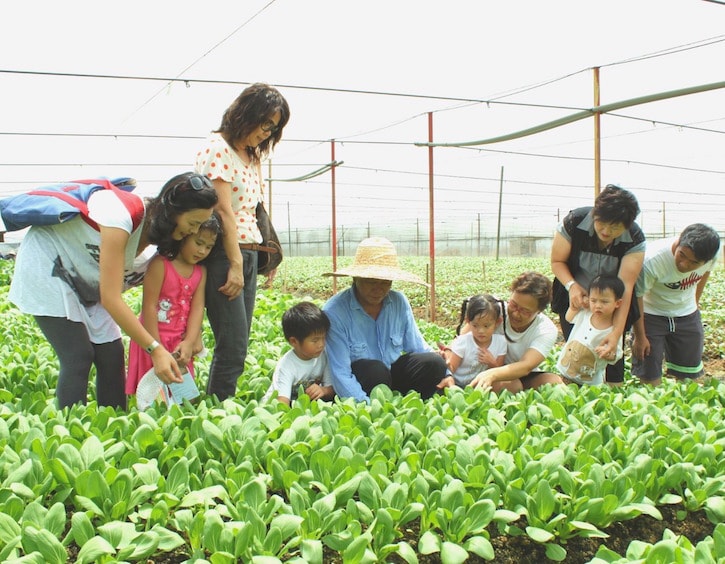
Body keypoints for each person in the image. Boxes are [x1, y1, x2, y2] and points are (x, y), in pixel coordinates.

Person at [8, 172, 218, 409]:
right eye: (193, 223)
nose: (194, 231)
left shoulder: (157, 244)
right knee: (78, 356)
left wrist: (194, 334)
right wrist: (155, 349)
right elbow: (111, 298)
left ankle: (112, 423)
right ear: (173, 211)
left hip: (88, 281)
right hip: (50, 265)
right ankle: (70, 433)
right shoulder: (122, 215)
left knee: (111, 356)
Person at [194, 83, 290, 401]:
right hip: (225, 254)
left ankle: (220, 405)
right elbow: (223, 210)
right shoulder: (217, 148)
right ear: (247, 113)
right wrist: (234, 263)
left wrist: (270, 255)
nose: (267, 133)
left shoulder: (252, 157)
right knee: (232, 344)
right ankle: (218, 409)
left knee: (240, 342)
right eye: (265, 124)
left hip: (249, 253)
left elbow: (254, 210)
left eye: (273, 129)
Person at [322, 236, 448, 402]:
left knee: (434, 362)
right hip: (363, 381)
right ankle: (382, 405)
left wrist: (447, 373)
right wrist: (369, 407)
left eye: (385, 282)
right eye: (372, 282)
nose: (378, 289)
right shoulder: (335, 311)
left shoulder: (398, 302)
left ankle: (416, 404)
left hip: (392, 375)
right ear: (355, 278)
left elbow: (418, 346)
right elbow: (340, 373)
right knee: (375, 370)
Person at [550, 184, 645, 385]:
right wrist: (572, 286)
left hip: (612, 303)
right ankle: (573, 390)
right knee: (576, 349)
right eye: (602, 223)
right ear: (595, 214)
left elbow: (625, 287)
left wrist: (616, 333)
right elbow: (557, 261)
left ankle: (612, 393)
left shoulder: (635, 239)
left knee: (612, 357)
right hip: (576, 299)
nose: (606, 230)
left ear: (627, 225)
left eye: (615, 227)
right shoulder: (574, 222)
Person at [125, 214, 221, 396]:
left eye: (208, 247)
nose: (202, 251)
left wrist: (189, 341)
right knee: (151, 397)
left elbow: (197, 308)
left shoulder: (201, 271)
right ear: (183, 236)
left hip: (179, 343)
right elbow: (149, 307)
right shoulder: (160, 264)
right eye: (199, 243)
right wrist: (155, 346)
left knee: (181, 397)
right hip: (152, 339)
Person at [631, 223, 721, 386]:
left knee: (689, 375)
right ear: (679, 241)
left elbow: (705, 273)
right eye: (682, 255)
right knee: (649, 373)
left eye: (694, 263)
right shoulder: (653, 259)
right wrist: (640, 336)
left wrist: (695, 302)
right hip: (652, 315)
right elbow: (637, 296)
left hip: (686, 315)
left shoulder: (711, 256)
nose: (684, 264)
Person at [469, 271, 561, 393]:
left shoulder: (545, 329)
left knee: (554, 382)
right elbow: (466, 333)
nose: (516, 314)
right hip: (484, 368)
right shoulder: (494, 310)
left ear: (539, 311)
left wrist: (493, 374)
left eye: (525, 311)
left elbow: (526, 366)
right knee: (512, 385)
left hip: (519, 374)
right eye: (513, 305)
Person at [263, 301, 335, 405]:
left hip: (304, 406)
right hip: (277, 407)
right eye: (315, 340)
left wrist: (323, 390)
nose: (321, 344)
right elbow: (282, 403)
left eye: (323, 338)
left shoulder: (323, 355)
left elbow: (332, 389)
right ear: (294, 341)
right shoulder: (286, 366)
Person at [557, 275, 624, 386]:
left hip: (590, 382)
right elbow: (569, 318)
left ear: (618, 303)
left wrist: (609, 355)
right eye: (593, 300)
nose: (598, 306)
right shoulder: (585, 314)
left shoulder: (614, 331)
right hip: (565, 373)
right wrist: (574, 308)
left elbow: (616, 355)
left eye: (604, 302)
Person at [437, 294, 507, 389]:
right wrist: (445, 363)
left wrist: (491, 362)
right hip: (456, 384)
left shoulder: (501, 342)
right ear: (468, 322)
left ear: (497, 322)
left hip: (479, 385)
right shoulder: (464, 342)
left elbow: (499, 371)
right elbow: (452, 369)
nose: (481, 331)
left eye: (486, 326)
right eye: (475, 326)